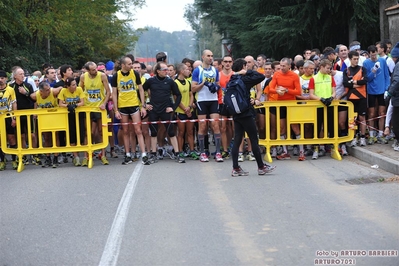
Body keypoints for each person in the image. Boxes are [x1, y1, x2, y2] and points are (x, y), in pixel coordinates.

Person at [229, 58, 276, 176]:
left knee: (238, 139)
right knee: (254, 138)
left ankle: (235, 168)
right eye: (246, 65)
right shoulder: (244, 78)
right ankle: (261, 166)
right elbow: (260, 76)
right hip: (246, 112)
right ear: (243, 66)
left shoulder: (232, 78)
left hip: (236, 112)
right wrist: (248, 72)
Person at [143, 62, 185, 163]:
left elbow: (178, 95)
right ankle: (153, 154)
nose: (167, 71)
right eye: (164, 70)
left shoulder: (170, 82)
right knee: (153, 132)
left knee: (171, 132)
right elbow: (139, 91)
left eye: (167, 70)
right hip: (153, 110)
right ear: (158, 71)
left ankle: (177, 153)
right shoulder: (151, 81)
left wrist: (173, 108)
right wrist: (144, 105)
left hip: (166, 110)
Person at [111, 56, 148, 165]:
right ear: (123, 65)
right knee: (126, 131)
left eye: (132, 64)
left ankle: (144, 154)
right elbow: (114, 93)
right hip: (123, 106)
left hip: (134, 104)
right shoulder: (116, 76)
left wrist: (143, 106)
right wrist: (116, 110)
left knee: (138, 130)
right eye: (129, 64)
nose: (131, 66)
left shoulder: (135, 74)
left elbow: (141, 89)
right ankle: (127, 154)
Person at [191, 49, 223, 162]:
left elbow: (218, 84)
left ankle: (218, 152)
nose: (211, 58)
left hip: (213, 100)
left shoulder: (215, 70)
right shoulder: (197, 70)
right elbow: (193, 88)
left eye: (212, 56)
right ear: (203, 57)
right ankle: (203, 152)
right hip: (202, 100)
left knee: (215, 125)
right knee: (203, 126)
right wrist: (204, 84)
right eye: (208, 56)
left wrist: (215, 87)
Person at [79, 61, 111, 165]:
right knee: (88, 132)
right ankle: (86, 155)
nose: (95, 71)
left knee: (102, 132)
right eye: (93, 70)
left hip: (99, 108)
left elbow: (108, 91)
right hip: (88, 108)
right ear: (87, 70)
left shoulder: (102, 76)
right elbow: (80, 90)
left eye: (96, 68)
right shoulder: (83, 77)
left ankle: (103, 155)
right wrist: (82, 103)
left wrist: (104, 103)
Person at [309, 59, 336, 159]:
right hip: (318, 106)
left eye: (330, 68)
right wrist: (321, 99)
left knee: (331, 126)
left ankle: (333, 147)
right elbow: (311, 94)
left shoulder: (330, 78)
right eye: (328, 68)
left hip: (329, 105)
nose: (329, 70)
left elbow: (334, 91)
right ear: (321, 67)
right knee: (317, 128)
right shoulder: (314, 79)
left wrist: (331, 98)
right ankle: (316, 148)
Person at [363, 45, 391, 145]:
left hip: (382, 90)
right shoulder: (366, 63)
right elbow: (368, 79)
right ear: (369, 54)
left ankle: (380, 134)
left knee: (382, 113)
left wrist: (387, 88)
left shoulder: (382, 61)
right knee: (371, 113)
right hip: (371, 91)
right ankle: (371, 135)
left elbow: (387, 75)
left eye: (375, 54)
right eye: (372, 55)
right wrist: (373, 70)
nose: (374, 56)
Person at [30, 81, 62, 167]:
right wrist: (35, 111)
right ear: (41, 91)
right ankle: (48, 157)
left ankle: (56, 156)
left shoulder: (53, 92)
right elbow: (33, 99)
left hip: (54, 117)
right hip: (44, 118)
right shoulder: (35, 95)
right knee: (46, 137)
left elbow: (61, 88)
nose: (49, 91)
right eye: (47, 90)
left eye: (49, 89)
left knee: (55, 136)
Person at [57, 77, 86, 166]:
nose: (75, 86)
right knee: (72, 135)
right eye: (73, 85)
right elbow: (60, 103)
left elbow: (83, 102)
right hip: (69, 115)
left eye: (75, 84)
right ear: (68, 86)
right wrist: (68, 105)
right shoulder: (63, 91)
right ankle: (76, 157)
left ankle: (85, 156)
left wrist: (75, 105)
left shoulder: (79, 89)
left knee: (82, 134)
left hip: (79, 114)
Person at [343, 50, 368, 147]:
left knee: (362, 117)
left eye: (357, 59)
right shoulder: (347, 70)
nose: (356, 61)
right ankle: (353, 137)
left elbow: (365, 81)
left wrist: (352, 82)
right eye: (354, 59)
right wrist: (357, 83)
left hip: (362, 97)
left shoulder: (362, 69)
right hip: (351, 97)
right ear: (350, 59)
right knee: (352, 118)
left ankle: (362, 137)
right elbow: (345, 83)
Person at [174, 63, 196, 160]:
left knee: (190, 132)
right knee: (181, 132)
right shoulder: (175, 83)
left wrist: (190, 106)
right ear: (182, 71)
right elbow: (176, 99)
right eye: (187, 69)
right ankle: (180, 151)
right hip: (181, 111)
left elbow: (191, 95)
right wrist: (185, 109)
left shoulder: (188, 82)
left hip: (189, 110)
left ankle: (192, 150)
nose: (189, 71)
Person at [0, 70, 17, 170]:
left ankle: (14, 160)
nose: (0, 80)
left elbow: (14, 103)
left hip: (8, 116)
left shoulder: (10, 90)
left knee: (11, 138)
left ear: (6, 79)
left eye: (2, 78)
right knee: (1, 140)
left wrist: (14, 117)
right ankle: (2, 161)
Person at [386, 42, 399, 151]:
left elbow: (396, 80)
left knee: (396, 120)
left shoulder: (398, 66)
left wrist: (390, 93)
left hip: (397, 97)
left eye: (394, 57)